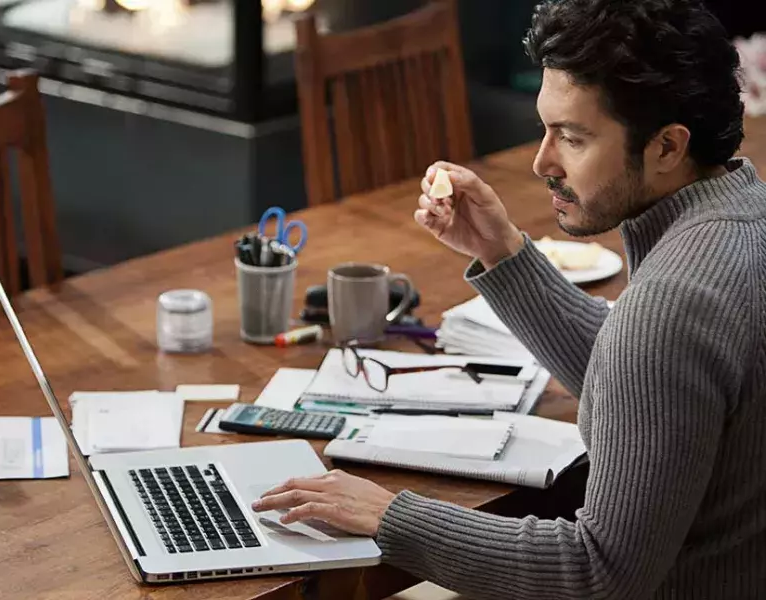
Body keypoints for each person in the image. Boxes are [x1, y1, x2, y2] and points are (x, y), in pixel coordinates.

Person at [251, 0, 766, 597]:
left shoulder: (671, 303)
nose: (541, 161)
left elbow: (598, 574)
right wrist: (504, 255)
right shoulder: (743, 220)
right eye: (544, 128)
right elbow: (655, 385)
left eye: (571, 138)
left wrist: (389, 517)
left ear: (668, 148)